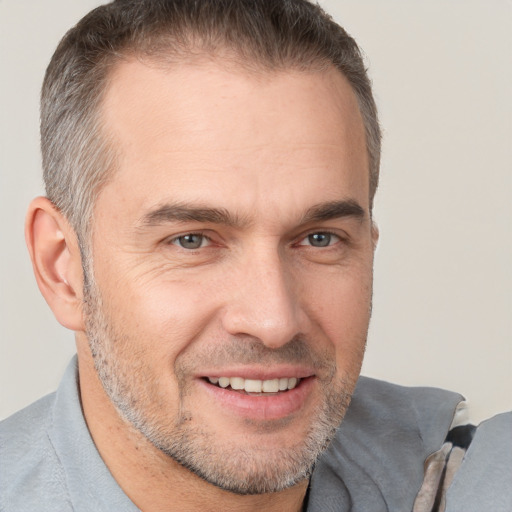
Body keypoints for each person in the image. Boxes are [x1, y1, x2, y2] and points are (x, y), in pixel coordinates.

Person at [0, 1, 510, 511]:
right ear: (62, 268)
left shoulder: (463, 475)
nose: (274, 321)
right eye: (192, 240)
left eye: (319, 239)